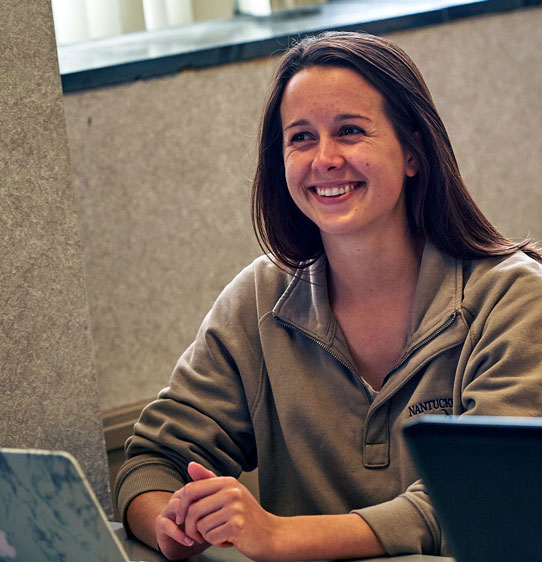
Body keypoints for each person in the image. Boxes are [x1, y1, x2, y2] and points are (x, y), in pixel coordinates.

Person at [115, 31, 542, 561]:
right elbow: (151, 460)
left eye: (350, 131)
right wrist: (173, 524)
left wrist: (279, 536)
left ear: (413, 151)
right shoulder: (257, 297)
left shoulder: (516, 298)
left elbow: (485, 501)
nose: (325, 159)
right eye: (300, 138)